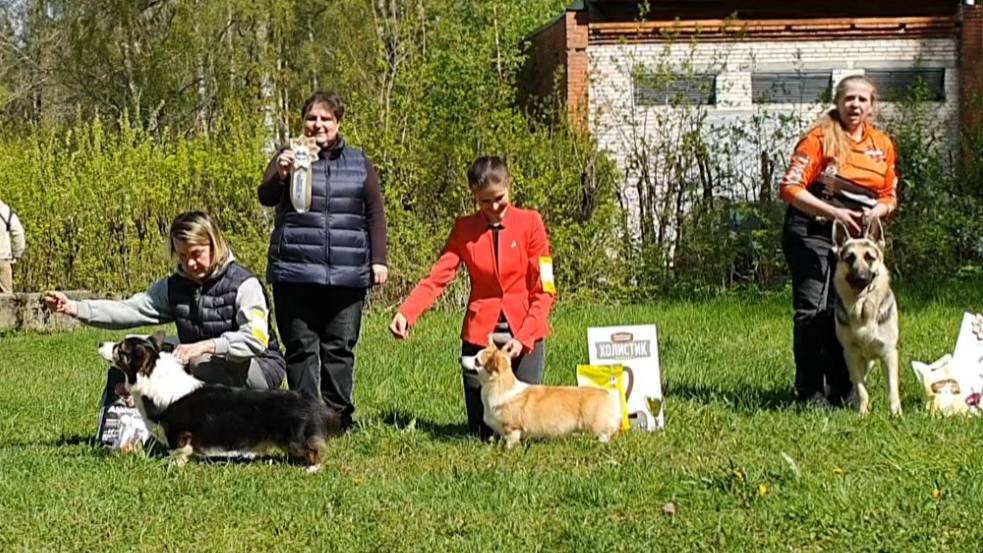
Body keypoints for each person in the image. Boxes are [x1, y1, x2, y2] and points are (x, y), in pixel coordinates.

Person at [389, 156, 557, 439]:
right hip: (481, 335)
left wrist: (525, 336)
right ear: (473, 197)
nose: (493, 209)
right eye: (484, 202)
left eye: (499, 199)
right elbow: (439, 276)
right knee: (482, 431)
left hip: (525, 333)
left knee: (526, 428)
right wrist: (407, 312)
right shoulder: (464, 229)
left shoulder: (532, 223)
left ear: (509, 186)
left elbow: (546, 288)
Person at [43, 211, 287, 393]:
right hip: (200, 359)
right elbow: (130, 309)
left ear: (215, 244)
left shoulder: (245, 285)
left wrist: (208, 345)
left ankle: (227, 431)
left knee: (200, 362)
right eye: (182, 255)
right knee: (144, 353)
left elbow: (255, 340)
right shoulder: (174, 286)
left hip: (259, 370)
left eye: (196, 254)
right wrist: (75, 308)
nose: (190, 264)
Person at [258, 90, 388, 430]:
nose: (318, 125)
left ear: (338, 123)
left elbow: (375, 213)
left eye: (325, 119)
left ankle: (338, 418)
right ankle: (304, 417)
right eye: (312, 119)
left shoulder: (360, 163)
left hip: (346, 273)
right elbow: (266, 196)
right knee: (300, 347)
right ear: (302, 123)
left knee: (340, 347)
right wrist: (281, 173)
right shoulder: (288, 156)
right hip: (296, 271)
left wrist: (379, 259)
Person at [779, 74, 898, 407]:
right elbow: (789, 188)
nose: (855, 105)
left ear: (872, 105)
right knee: (813, 311)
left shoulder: (882, 144)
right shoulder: (819, 138)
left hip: (855, 240)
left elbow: (889, 194)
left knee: (841, 310)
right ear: (838, 102)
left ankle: (843, 392)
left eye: (862, 99)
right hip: (811, 231)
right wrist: (832, 212)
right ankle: (811, 395)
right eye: (849, 99)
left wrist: (881, 208)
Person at [0, 199, 26, 293]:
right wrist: (16, 254)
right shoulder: (6, 211)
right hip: (3, 260)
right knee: (5, 299)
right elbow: (18, 232)